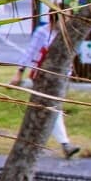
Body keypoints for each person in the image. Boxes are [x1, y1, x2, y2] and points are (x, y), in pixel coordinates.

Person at [20, 16, 79, 159]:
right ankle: (65, 144)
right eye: (64, 18)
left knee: (44, 110)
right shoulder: (43, 33)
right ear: (55, 19)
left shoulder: (67, 33)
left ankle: (31, 143)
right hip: (43, 77)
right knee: (53, 109)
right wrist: (20, 72)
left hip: (60, 78)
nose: (68, 21)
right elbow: (31, 51)